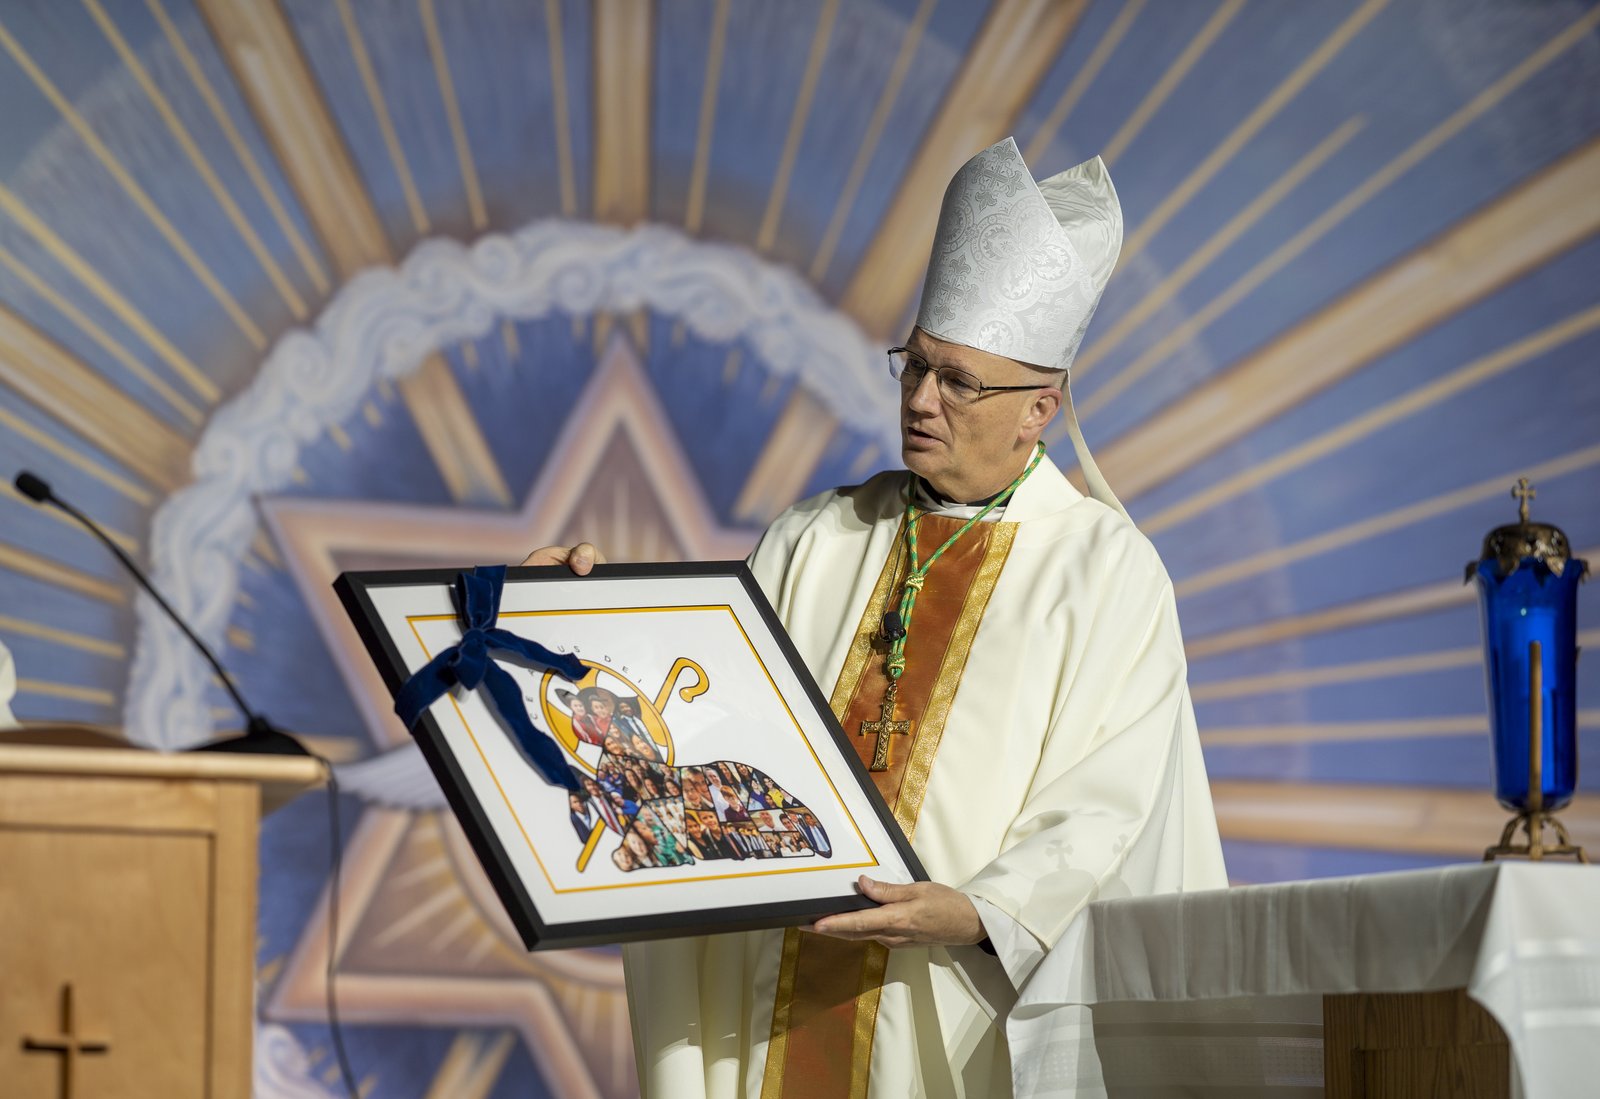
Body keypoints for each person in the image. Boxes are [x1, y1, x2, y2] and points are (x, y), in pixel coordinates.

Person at [526, 137, 1225, 1097]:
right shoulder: (813, 536)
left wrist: (978, 910)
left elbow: (1110, 807)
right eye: (914, 366)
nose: (921, 401)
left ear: (1041, 408)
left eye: (961, 382)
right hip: (772, 982)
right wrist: (566, 625)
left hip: (959, 1003)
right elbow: (687, 725)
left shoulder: (1104, 571)